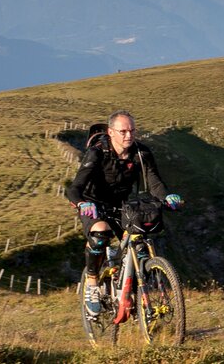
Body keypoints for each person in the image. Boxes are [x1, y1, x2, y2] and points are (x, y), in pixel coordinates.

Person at [66, 110, 183, 317]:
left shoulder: (141, 153)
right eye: (123, 131)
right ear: (111, 132)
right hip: (93, 204)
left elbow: (155, 183)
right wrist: (81, 203)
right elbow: (74, 188)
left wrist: (167, 198)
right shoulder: (97, 152)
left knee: (139, 247)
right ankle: (92, 284)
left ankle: (130, 292)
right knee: (100, 233)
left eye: (132, 130)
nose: (128, 135)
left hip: (124, 206)